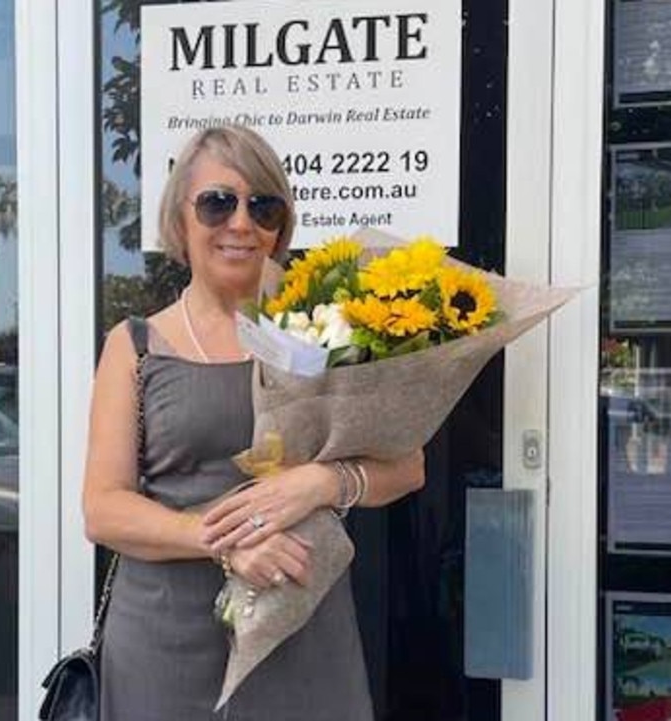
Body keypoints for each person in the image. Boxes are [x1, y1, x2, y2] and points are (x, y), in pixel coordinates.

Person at [81, 124, 426, 721]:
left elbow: (408, 466)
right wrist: (224, 544)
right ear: (180, 219)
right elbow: (103, 509)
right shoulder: (135, 346)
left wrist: (322, 483)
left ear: (280, 227)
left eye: (263, 206)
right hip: (164, 645)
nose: (241, 223)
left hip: (300, 631)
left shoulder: (322, 334)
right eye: (218, 203)